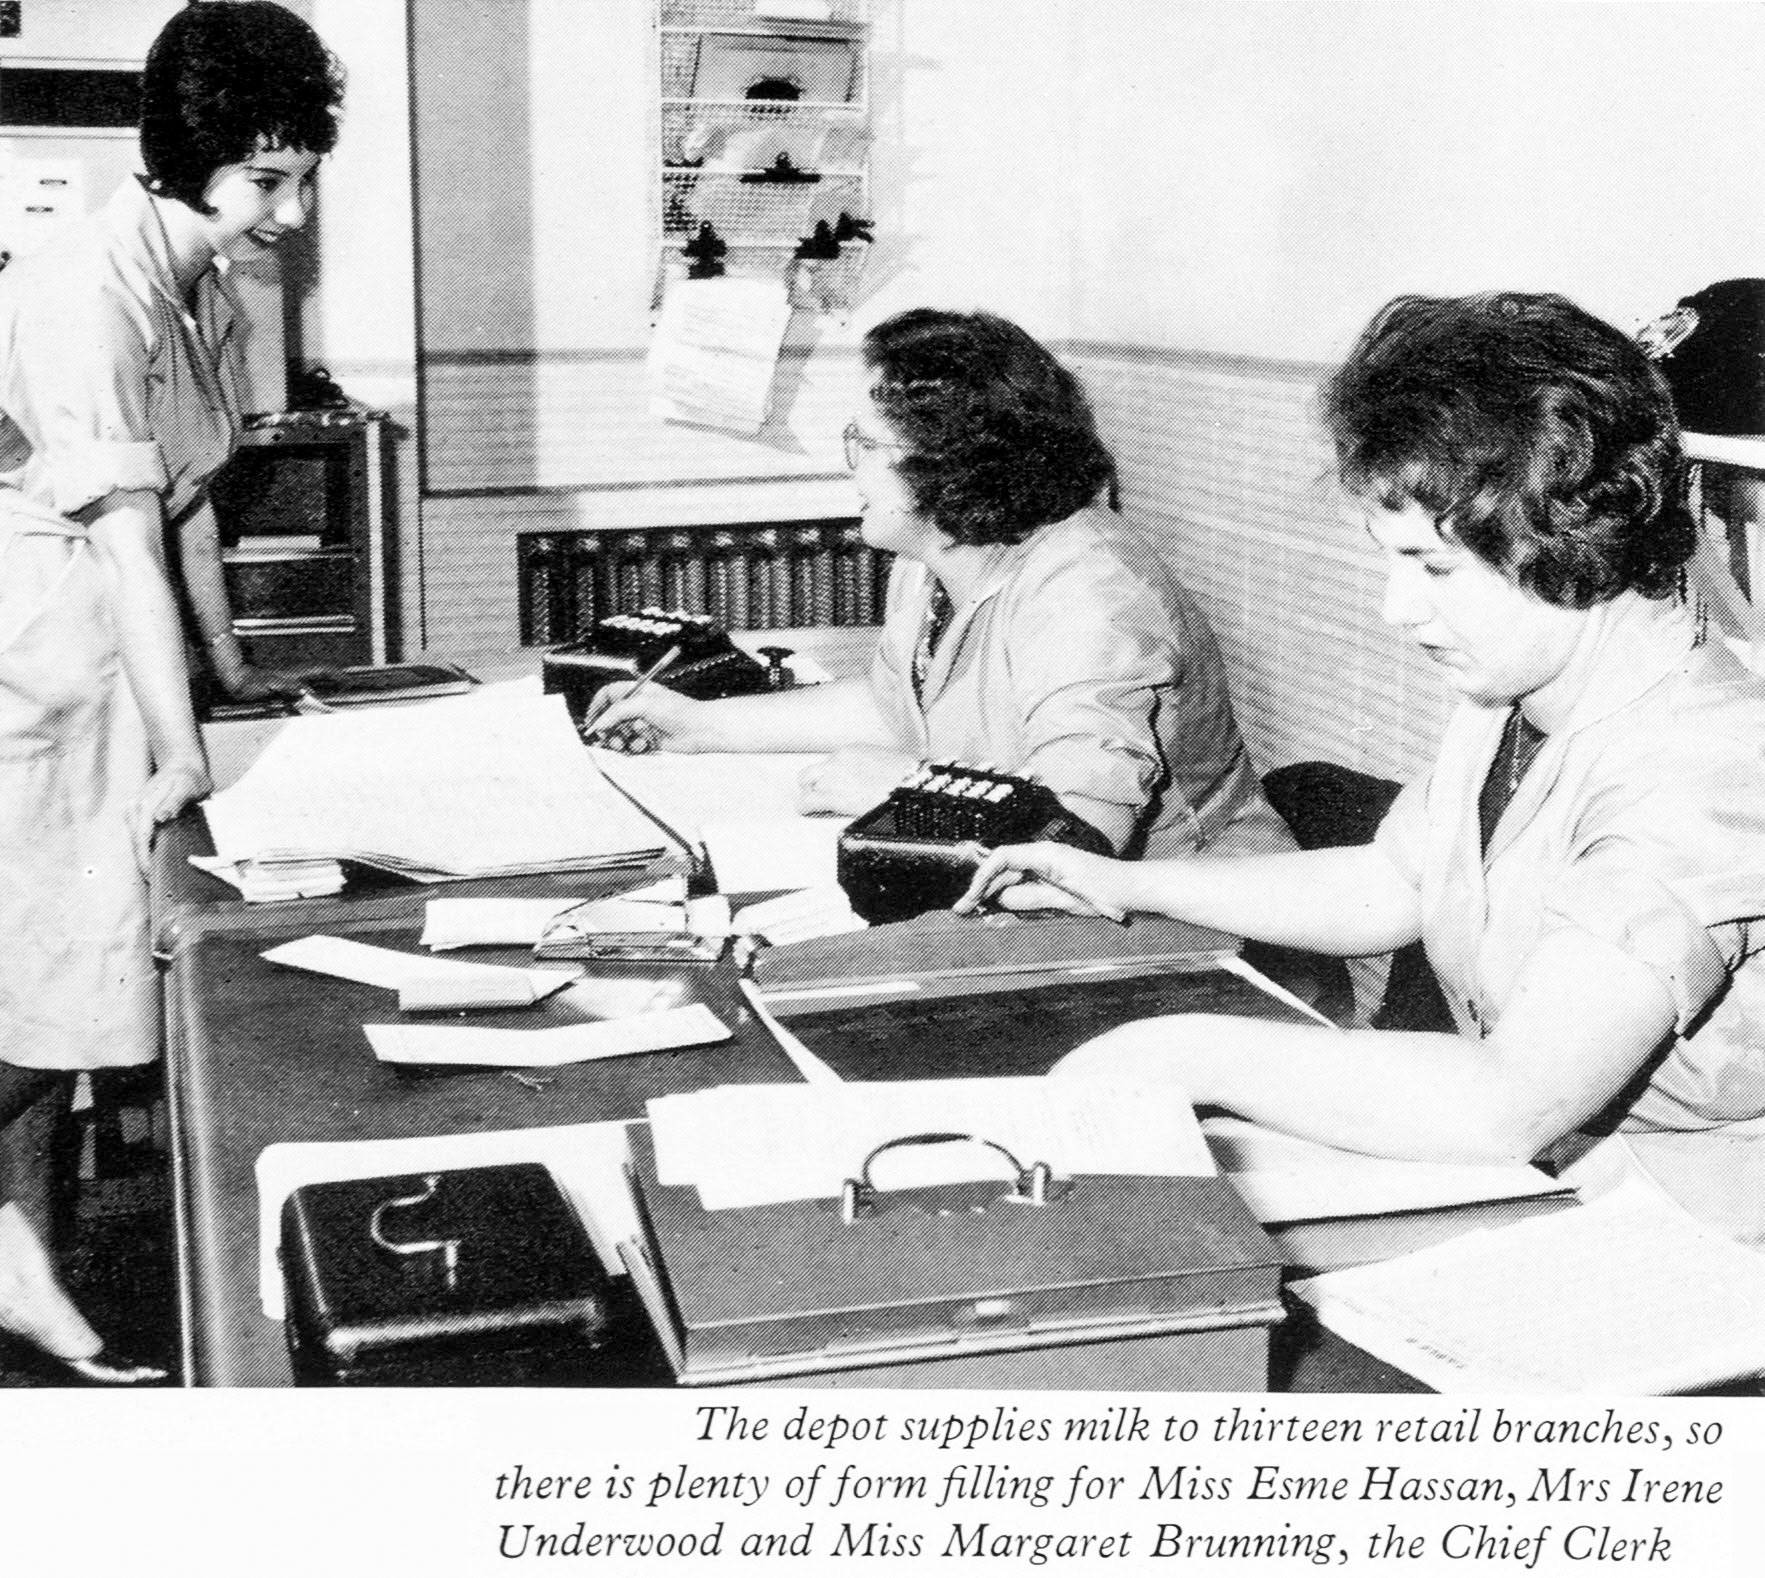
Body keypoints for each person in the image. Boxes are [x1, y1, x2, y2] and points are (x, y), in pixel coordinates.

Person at [958, 291, 1765, 1247]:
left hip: (1706, 1246)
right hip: (1563, 1185)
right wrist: (1125, 883)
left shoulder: (1708, 763)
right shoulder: (1517, 696)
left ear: (1561, 531)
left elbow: (1504, 1104)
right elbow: (1392, 882)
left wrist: (1182, 1052)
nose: (1397, 608)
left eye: (1431, 567)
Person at [0, 1, 343, 1381]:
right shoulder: (85, 281)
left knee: (56, 986)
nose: (294, 204)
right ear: (187, 156)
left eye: (304, 171)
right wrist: (183, 745)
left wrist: (242, 673)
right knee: (49, 990)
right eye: (269, 178)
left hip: (115, 660)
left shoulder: (195, 275)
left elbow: (194, 511)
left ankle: (27, 1257)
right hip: (42, 673)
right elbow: (128, 538)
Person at [586, 308, 1291, 861]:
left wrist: (905, 787)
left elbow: (1078, 833)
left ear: (946, 464)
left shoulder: (1092, 595)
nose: (849, 467)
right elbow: (903, 711)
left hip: (1183, 927)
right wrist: (701, 725)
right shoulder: (933, 557)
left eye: (864, 443)